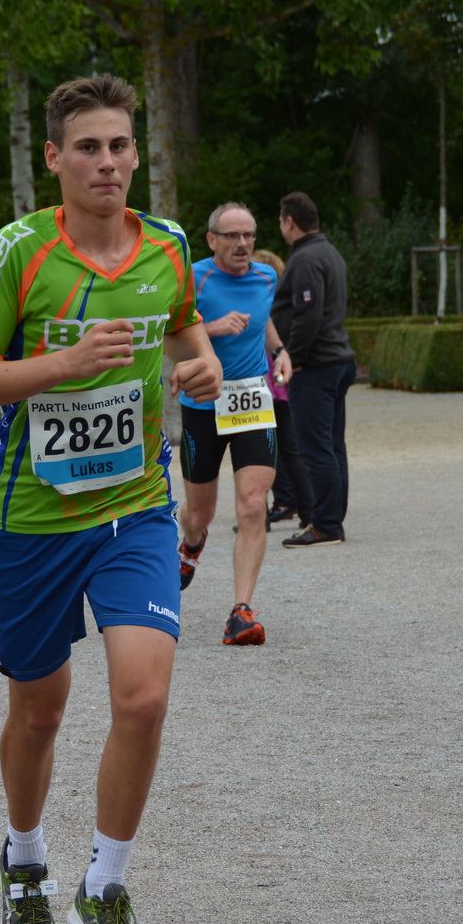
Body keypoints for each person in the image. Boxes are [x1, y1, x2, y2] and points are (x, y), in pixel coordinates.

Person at [0, 73, 220, 924]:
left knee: (143, 699)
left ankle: (105, 887)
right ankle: (24, 858)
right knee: (40, 709)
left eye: (120, 146)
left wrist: (203, 366)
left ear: (138, 154)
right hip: (33, 518)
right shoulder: (18, 251)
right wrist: (62, 363)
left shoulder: (168, 245)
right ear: (55, 158)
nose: (107, 162)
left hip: (135, 506)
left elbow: (184, 332)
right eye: (89, 147)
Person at [174, 202, 291, 645]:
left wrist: (279, 352)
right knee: (200, 513)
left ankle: (241, 611)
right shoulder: (193, 278)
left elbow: (264, 320)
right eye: (232, 236)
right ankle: (191, 542)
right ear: (212, 240)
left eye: (249, 235)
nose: (242, 244)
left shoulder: (267, 277)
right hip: (203, 404)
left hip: (252, 403)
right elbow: (170, 335)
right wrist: (213, 328)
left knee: (254, 505)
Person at [271, 191, 355, 547]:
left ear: (289, 221)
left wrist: (294, 356)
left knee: (316, 448)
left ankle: (325, 525)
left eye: (280, 220)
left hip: (316, 365)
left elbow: (308, 315)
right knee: (333, 446)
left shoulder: (305, 258)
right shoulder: (329, 252)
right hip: (337, 360)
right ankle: (331, 519)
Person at [250, 248, 309, 527]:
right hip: (281, 382)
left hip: (267, 380)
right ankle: (295, 503)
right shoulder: (287, 303)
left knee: (269, 445)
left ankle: (283, 501)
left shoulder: (261, 303)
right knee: (287, 445)